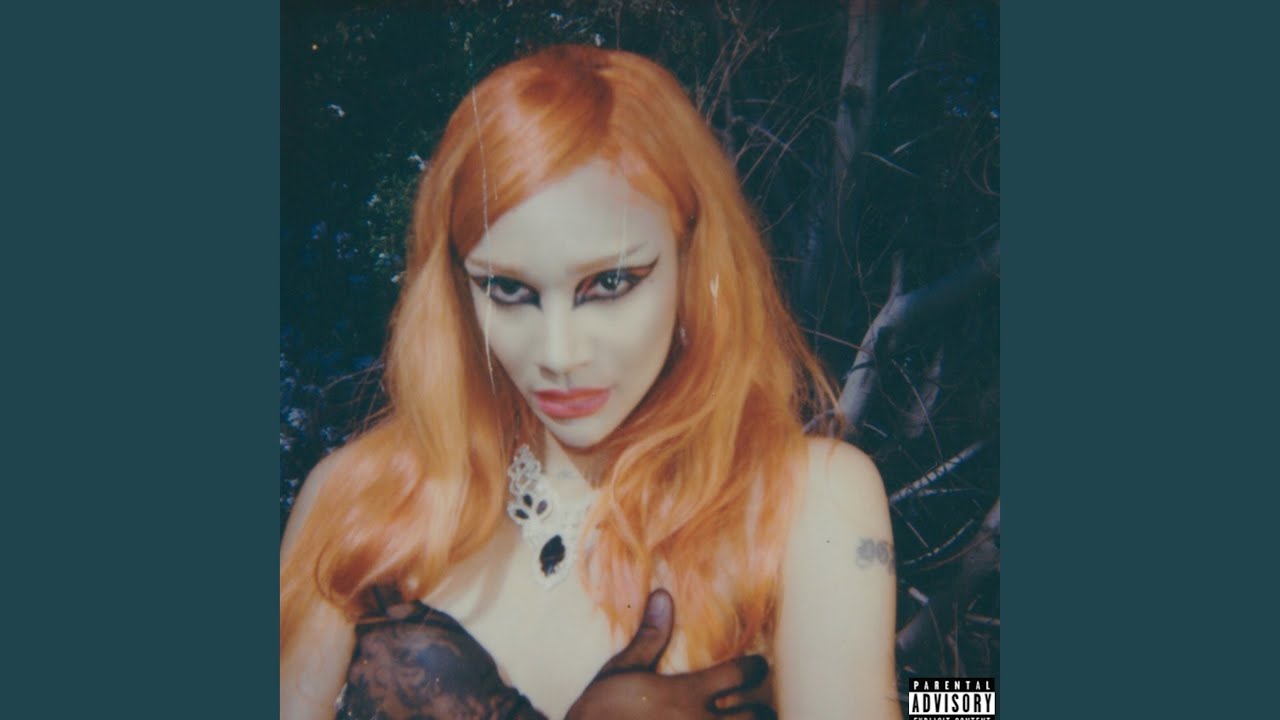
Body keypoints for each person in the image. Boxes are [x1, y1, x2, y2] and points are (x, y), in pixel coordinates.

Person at [281, 44, 899, 719]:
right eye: (508, 290)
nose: (558, 353)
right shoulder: (356, 502)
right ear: (457, 289)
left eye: (610, 283)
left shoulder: (811, 501)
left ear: (693, 259)